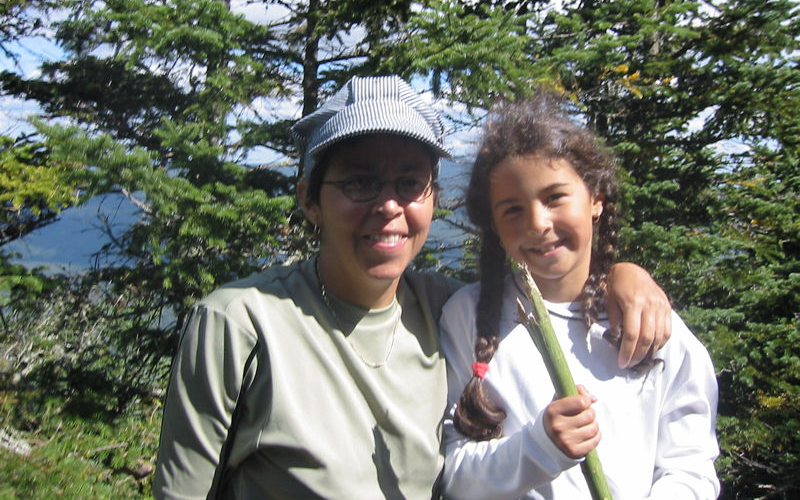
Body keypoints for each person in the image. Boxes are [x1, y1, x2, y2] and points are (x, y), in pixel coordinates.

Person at [153, 76, 673, 499]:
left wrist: (623, 275)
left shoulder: (449, 311)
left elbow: (548, 287)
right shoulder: (239, 324)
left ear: (433, 198)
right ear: (310, 200)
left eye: (410, 183)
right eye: (359, 182)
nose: (388, 205)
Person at [439, 93, 720, 499]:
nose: (538, 223)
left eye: (555, 197)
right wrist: (541, 446)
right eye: (512, 210)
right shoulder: (466, 317)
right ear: (495, 226)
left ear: (596, 199)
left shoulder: (651, 321)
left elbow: (690, 469)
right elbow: (455, 476)